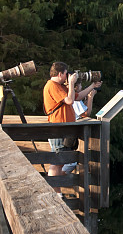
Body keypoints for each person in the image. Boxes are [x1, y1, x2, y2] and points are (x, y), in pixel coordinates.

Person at [43, 62, 101, 191]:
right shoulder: (52, 85)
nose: (67, 76)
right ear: (60, 74)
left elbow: (78, 97)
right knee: (57, 162)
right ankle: (55, 193)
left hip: (64, 128)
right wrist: (70, 83)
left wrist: (92, 86)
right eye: (65, 74)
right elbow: (69, 101)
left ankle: (56, 192)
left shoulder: (59, 86)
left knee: (60, 161)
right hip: (58, 128)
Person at [62, 80, 102, 174]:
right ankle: (57, 182)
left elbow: (82, 110)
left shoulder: (68, 95)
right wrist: (90, 98)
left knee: (64, 161)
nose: (81, 87)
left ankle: (57, 181)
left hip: (66, 131)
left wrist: (88, 98)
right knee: (69, 162)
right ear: (76, 87)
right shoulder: (74, 97)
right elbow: (86, 113)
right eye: (80, 85)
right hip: (69, 132)